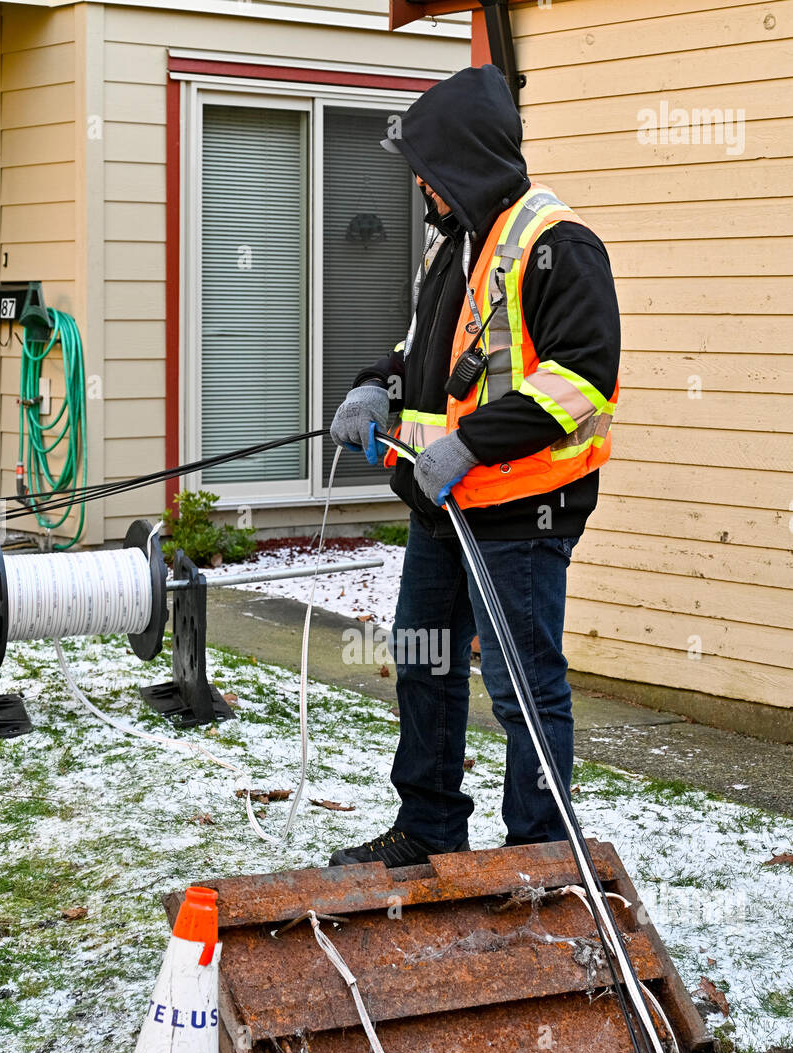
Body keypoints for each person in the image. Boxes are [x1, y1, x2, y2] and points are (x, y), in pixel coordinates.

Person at [328, 64, 620, 869]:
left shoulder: (559, 245)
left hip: (521, 512)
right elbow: (423, 356)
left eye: (428, 164)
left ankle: (538, 852)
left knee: (523, 688)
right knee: (424, 664)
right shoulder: (455, 247)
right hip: (442, 506)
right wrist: (370, 387)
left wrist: (471, 445)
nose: (419, 180)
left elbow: (585, 379)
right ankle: (428, 830)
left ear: (463, 159)